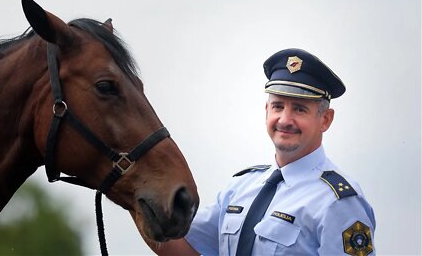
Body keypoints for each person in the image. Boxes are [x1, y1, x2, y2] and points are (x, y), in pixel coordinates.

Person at [147, 48, 376, 255]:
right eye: (278, 106)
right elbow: (179, 247)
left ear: (325, 119)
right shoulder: (240, 189)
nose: (285, 120)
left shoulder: (338, 202)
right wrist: (131, 192)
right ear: (267, 111)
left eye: (299, 109)